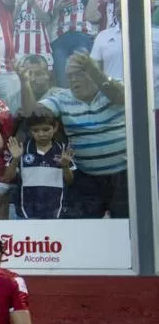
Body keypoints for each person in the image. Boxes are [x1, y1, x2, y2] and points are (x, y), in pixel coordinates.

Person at [33, 53, 127, 218]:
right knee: (86, 229)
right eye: (70, 76)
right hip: (86, 178)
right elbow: (33, 113)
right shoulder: (62, 97)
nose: (74, 80)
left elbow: (121, 96)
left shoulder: (113, 87)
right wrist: (26, 83)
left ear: (94, 72)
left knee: (126, 226)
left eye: (80, 73)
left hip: (122, 176)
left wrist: (95, 71)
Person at [3, 109, 75, 219]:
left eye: (46, 129)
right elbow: (7, 178)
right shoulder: (22, 149)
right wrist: (16, 159)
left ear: (55, 127)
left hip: (56, 211)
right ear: (30, 131)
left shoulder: (63, 150)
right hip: (26, 212)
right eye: (36, 130)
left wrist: (65, 166)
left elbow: (70, 181)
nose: (41, 134)